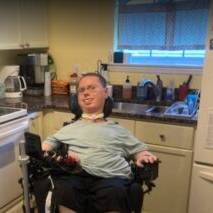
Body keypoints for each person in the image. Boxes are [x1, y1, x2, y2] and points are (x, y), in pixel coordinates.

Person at [42, 73, 157, 213]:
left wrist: (143, 157)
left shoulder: (118, 130)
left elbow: (140, 152)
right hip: (75, 175)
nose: (86, 93)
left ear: (106, 92)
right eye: (82, 90)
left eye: (92, 88)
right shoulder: (68, 129)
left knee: (115, 192)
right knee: (65, 190)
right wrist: (57, 158)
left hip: (111, 177)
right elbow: (43, 149)